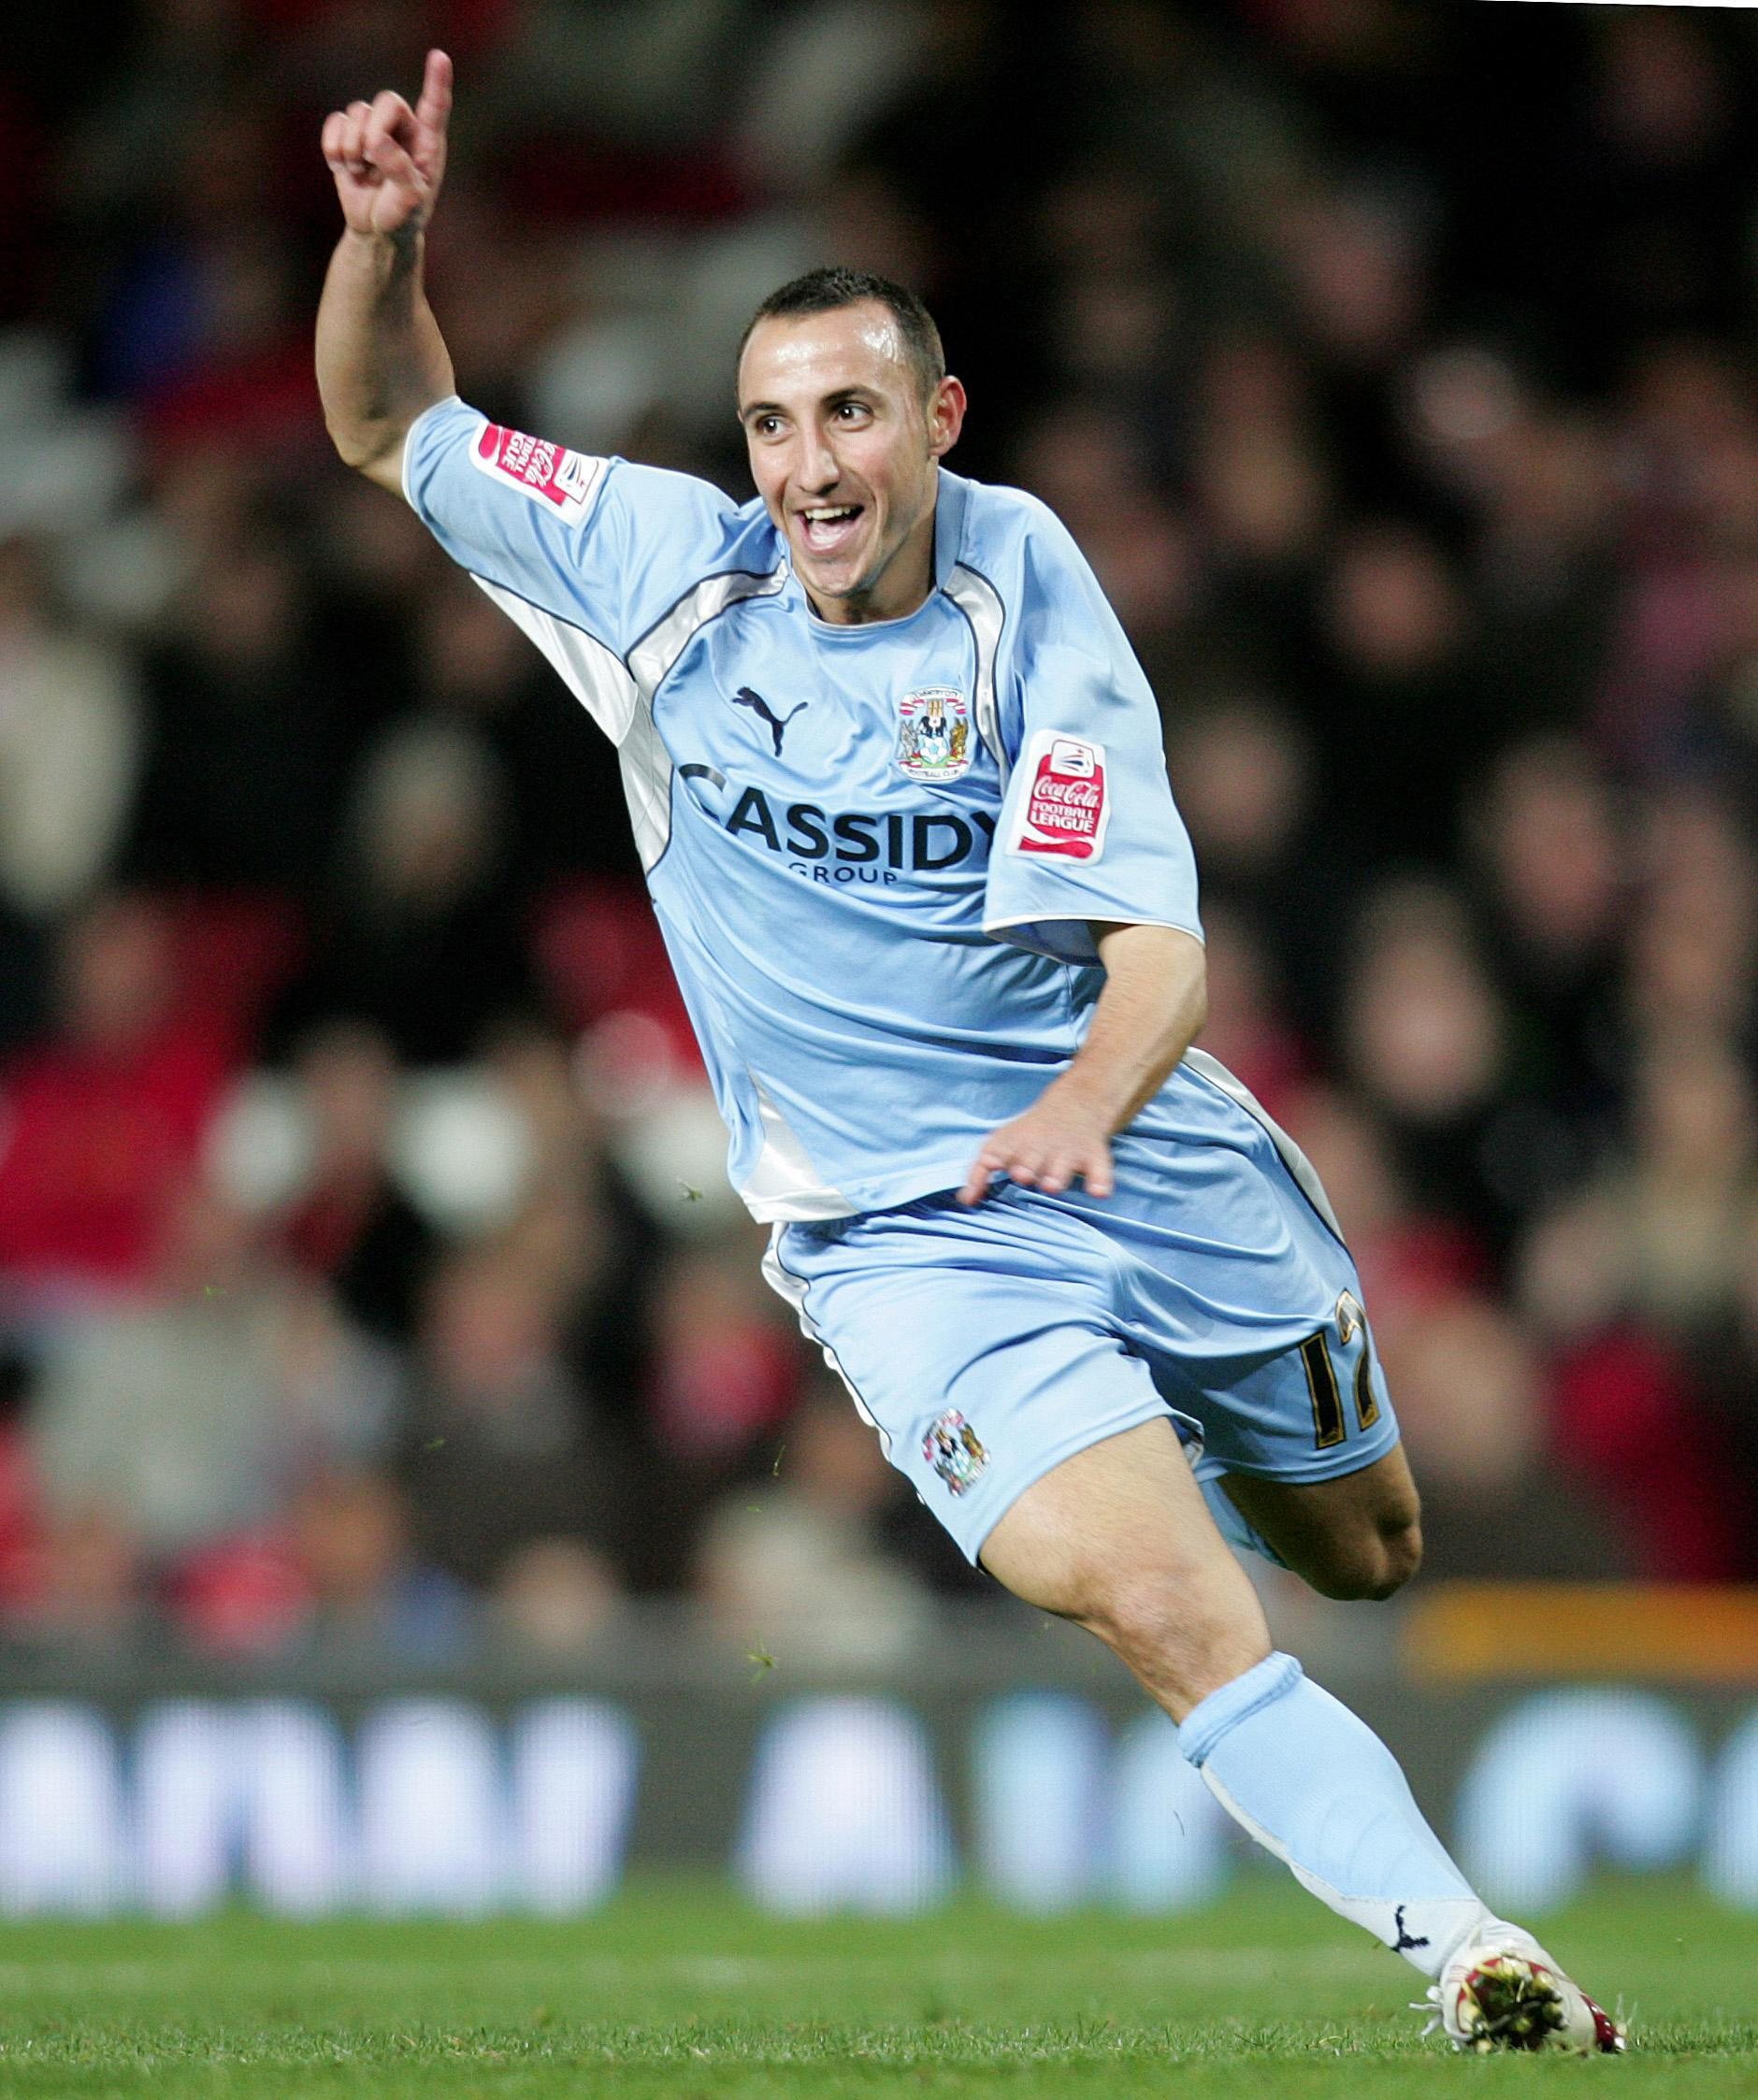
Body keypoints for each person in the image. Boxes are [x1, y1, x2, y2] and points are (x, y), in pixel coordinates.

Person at [316, 52, 1621, 2054]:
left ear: (935, 417)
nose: (808, 465)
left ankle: (1163, 1417)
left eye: (848, 412)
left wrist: (1086, 1113)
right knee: (1173, 1612)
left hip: (1142, 1142)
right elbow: (388, 412)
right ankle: (1472, 1951)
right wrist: (384, 244)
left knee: (1369, 1550)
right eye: (769, 424)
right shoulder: (663, 574)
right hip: (910, 1244)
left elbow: (1157, 950)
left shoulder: (1028, 592)